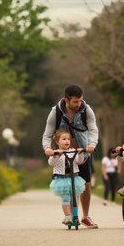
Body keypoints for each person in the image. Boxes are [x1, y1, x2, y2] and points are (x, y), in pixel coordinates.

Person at [42, 84, 99, 228]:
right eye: (75, 101)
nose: (79, 104)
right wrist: (48, 148)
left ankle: (85, 216)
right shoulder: (56, 112)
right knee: (67, 186)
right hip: (62, 155)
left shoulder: (87, 110)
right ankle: (70, 215)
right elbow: (47, 134)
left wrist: (92, 144)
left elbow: (93, 129)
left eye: (80, 100)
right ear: (67, 100)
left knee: (85, 185)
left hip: (82, 152)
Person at [48, 130, 86, 225]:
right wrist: (56, 155)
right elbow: (51, 163)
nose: (67, 141)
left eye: (68, 139)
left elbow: (79, 161)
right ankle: (68, 216)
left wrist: (80, 153)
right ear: (57, 142)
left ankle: (75, 215)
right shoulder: (55, 152)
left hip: (74, 178)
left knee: (75, 198)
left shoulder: (73, 151)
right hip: (62, 179)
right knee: (65, 198)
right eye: (64, 139)